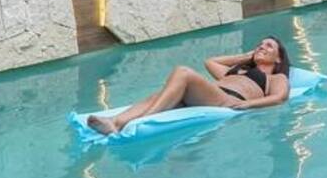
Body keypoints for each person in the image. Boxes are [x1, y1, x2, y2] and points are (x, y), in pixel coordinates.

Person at [86, 37, 292, 136]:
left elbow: (280, 97)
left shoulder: (275, 77)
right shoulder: (237, 70)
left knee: (183, 72)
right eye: (260, 44)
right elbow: (211, 62)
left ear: (278, 58)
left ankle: (143, 120)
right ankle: (115, 122)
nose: (261, 47)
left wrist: (248, 105)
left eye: (268, 46)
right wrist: (246, 56)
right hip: (213, 94)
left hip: (230, 100)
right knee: (159, 95)